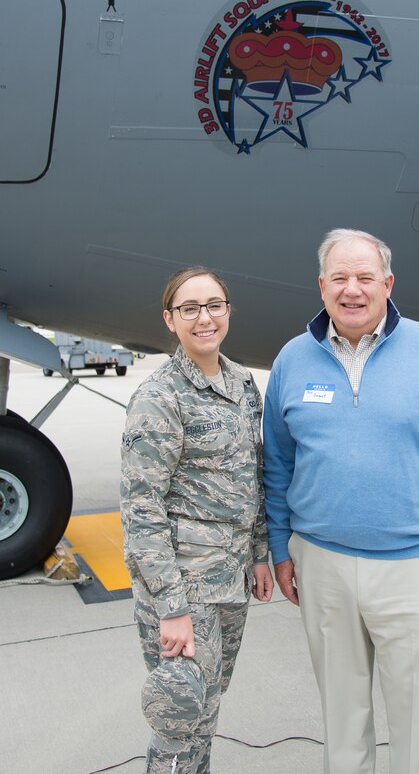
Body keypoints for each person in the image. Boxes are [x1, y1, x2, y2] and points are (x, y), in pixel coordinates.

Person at [262, 229, 419, 774]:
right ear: (321, 286)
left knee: (418, 726)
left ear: (388, 284)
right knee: (341, 721)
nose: (352, 290)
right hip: (322, 565)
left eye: (365, 277)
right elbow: (277, 463)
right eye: (339, 278)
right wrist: (279, 547)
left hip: (416, 569)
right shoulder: (293, 360)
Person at [120, 267, 273, 774]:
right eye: (190, 308)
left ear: (228, 310)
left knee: (207, 710)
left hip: (229, 586)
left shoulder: (242, 383)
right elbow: (142, 511)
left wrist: (259, 556)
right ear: (170, 319)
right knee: (180, 719)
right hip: (183, 592)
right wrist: (171, 608)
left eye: (214, 305)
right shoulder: (159, 397)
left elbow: (252, 476)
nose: (204, 318)